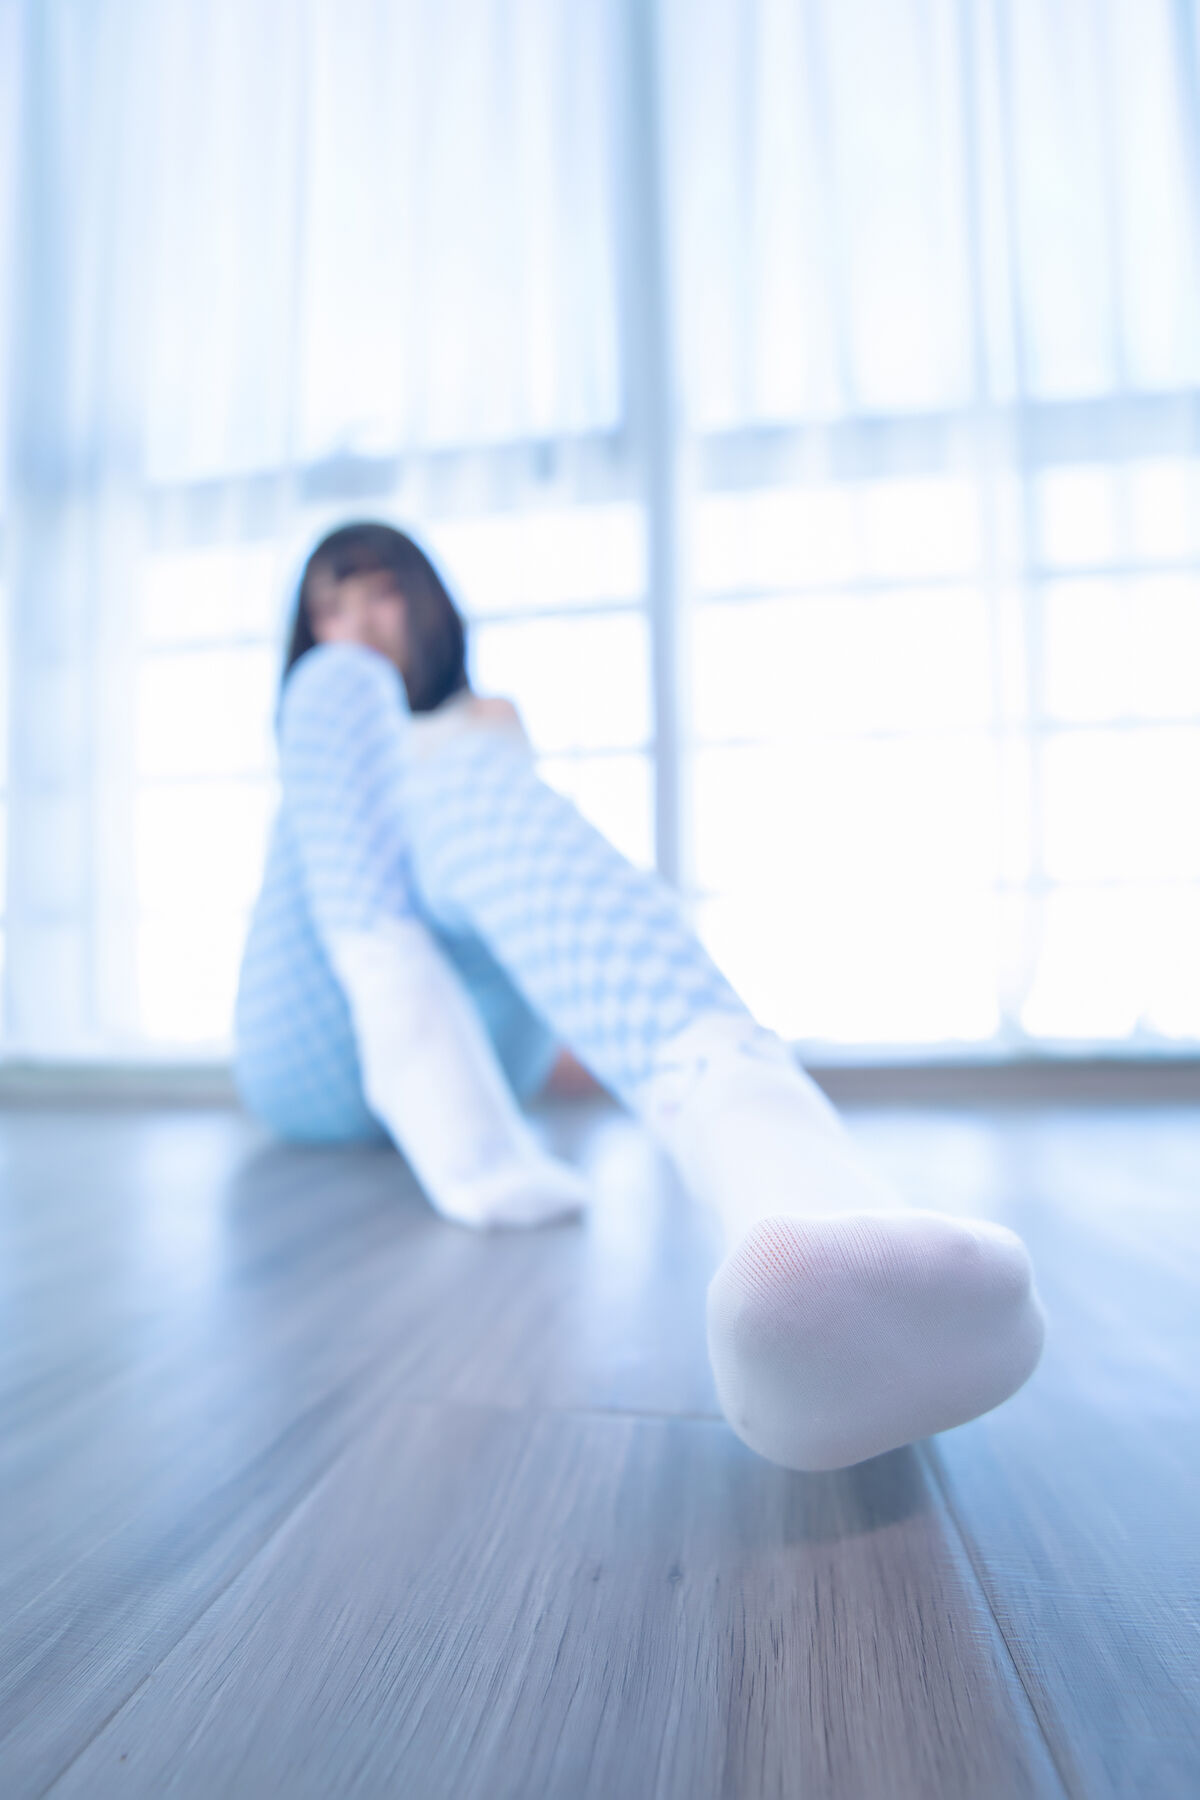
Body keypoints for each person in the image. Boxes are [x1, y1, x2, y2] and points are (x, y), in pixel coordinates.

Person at [234, 520, 1045, 1473]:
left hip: (481, 1035)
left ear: (426, 606)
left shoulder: (481, 734)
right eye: (327, 609)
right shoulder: (337, 714)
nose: (357, 624)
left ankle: (794, 1200)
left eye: (378, 593)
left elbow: (523, 912)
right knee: (338, 698)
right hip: (312, 1050)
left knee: (459, 773)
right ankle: (741, 1128)